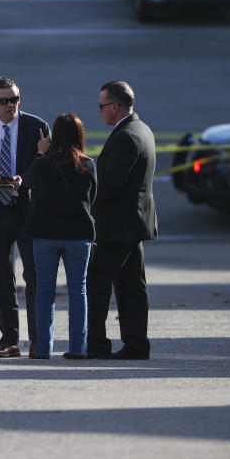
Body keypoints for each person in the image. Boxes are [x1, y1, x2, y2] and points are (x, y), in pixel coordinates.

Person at [0, 76, 50, 358]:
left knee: (35, 277)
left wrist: (23, 180)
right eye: (3, 101)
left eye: (14, 99)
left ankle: (38, 340)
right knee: (2, 279)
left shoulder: (36, 126)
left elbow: (46, 168)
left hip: (27, 209)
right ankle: (9, 339)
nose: (9, 105)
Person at [87, 81, 158, 360]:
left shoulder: (127, 136)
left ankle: (96, 344)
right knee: (131, 287)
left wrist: (83, 198)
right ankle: (136, 343)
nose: (100, 111)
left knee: (96, 284)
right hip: (131, 223)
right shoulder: (140, 129)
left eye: (102, 106)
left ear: (115, 107)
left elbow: (110, 185)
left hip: (117, 226)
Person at [25, 114, 97, 360]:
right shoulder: (88, 164)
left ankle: (44, 348)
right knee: (78, 291)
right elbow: (92, 197)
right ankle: (78, 347)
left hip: (46, 234)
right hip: (78, 234)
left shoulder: (43, 163)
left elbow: (29, 184)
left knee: (44, 292)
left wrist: (40, 152)